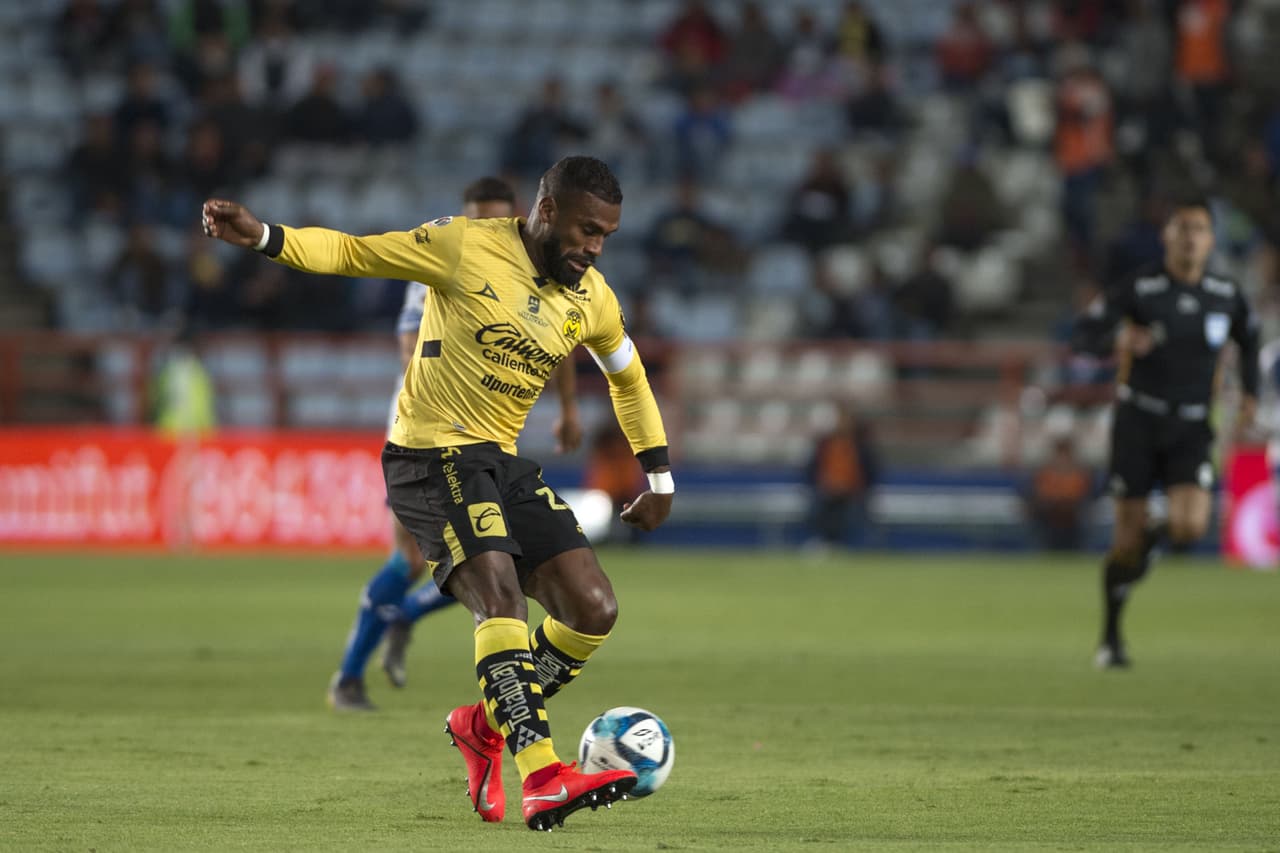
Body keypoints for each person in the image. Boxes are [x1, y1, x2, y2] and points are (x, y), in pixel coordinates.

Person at [201, 156, 674, 831]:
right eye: (585, 230)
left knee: (593, 607)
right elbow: (353, 253)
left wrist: (659, 477)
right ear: (545, 209)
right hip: (429, 453)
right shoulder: (465, 245)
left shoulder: (591, 297)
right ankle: (541, 773)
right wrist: (264, 237)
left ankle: (481, 725)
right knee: (500, 596)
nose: (594, 248)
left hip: (499, 460)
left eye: (606, 236)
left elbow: (629, 378)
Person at [327, 177, 583, 711]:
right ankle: (350, 676)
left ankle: (404, 619)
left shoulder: (534, 268)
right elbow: (407, 348)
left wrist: (568, 408)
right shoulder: (444, 261)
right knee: (413, 558)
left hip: (490, 434)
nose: (484, 227)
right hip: (425, 431)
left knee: (500, 558)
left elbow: (564, 340)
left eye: (493, 217)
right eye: (476, 217)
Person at [1073, 196, 1259, 669]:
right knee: (1124, 542)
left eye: (1199, 229)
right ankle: (1111, 637)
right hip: (1138, 419)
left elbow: (1250, 340)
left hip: (1194, 423)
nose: (1190, 237)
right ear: (1167, 236)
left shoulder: (1225, 293)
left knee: (1190, 526)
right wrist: (1119, 338)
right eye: (1182, 228)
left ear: (1211, 239)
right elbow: (1085, 334)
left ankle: (1155, 534)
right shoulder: (1141, 288)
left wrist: (1252, 394)